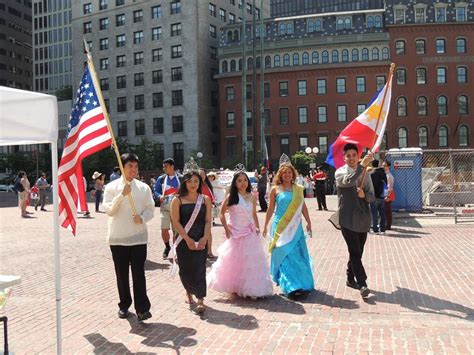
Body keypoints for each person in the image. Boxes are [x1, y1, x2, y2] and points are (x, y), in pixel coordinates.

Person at [103, 153, 154, 321]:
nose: (134, 169)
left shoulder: (144, 188)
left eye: (136, 166)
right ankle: (124, 305)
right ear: (122, 167)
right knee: (121, 274)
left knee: (139, 273)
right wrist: (122, 195)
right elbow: (109, 210)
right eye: (130, 166)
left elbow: (150, 208)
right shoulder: (111, 187)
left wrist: (143, 217)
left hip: (138, 238)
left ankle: (142, 309)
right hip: (118, 238)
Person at [208, 171, 273, 299]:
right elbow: (221, 213)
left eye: (245, 180)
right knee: (234, 261)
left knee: (251, 262)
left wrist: (257, 227)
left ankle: (250, 288)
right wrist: (226, 228)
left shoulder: (252, 196)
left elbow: (254, 214)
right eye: (239, 181)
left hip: (249, 231)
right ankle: (235, 286)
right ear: (235, 183)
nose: (242, 183)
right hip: (235, 232)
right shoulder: (231, 196)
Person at [263, 161, 314, 298]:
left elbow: (303, 207)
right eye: (284, 172)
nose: (287, 175)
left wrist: (309, 222)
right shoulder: (275, 189)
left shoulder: (298, 188)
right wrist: (265, 225)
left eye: (289, 172)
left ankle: (300, 284)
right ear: (280, 174)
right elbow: (270, 209)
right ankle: (290, 286)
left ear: (293, 174)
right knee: (283, 255)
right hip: (280, 227)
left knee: (296, 255)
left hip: (295, 226)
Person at [329, 143, 374, 298]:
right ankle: (362, 284)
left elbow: (372, 196)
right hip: (347, 218)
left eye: (354, 155)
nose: (351, 158)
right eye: (348, 155)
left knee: (357, 252)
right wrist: (362, 165)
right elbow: (348, 181)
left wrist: (364, 196)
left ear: (358, 155)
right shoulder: (339, 172)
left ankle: (349, 277)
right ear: (344, 158)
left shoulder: (365, 174)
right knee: (354, 251)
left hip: (363, 219)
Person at [170, 170, 212, 313]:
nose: (193, 184)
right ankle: (189, 292)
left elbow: (208, 221)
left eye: (196, 181)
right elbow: (175, 222)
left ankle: (200, 299)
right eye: (189, 181)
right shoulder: (177, 200)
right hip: (183, 240)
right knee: (186, 270)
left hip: (200, 238)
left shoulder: (205, 199)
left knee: (200, 269)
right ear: (184, 182)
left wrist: (205, 237)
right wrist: (187, 239)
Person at [155, 158, 182, 259]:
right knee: (164, 229)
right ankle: (167, 247)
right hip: (165, 208)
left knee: (176, 230)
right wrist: (159, 196)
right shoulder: (161, 179)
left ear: (172, 166)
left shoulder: (180, 178)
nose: (164, 168)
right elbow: (156, 191)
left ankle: (176, 249)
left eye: (165, 166)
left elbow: (185, 191)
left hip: (177, 209)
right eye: (163, 167)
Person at [198, 168, 217, 258]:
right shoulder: (195, 186)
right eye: (200, 174)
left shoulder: (208, 186)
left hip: (207, 212)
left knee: (208, 232)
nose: (202, 176)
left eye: (203, 174)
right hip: (197, 212)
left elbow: (212, 198)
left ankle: (209, 251)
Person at [369, 159, 387, 235]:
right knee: (382, 213)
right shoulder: (383, 173)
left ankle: (375, 229)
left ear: (372, 165)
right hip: (382, 195)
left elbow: (371, 186)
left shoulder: (372, 173)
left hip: (374, 196)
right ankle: (382, 229)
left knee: (374, 213)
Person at [383, 160, 395, 230]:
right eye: (383, 165)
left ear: (389, 167)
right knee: (386, 210)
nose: (383, 167)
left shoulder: (389, 176)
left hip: (388, 194)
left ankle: (388, 225)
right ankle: (387, 224)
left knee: (388, 210)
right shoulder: (386, 175)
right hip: (386, 193)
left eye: (385, 165)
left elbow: (390, 187)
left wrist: (387, 196)